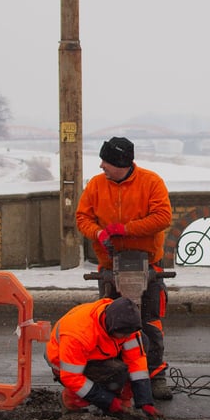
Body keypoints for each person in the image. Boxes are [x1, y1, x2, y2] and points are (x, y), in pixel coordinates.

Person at [76, 136, 174, 400]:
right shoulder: (96, 185)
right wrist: (98, 233)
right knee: (110, 325)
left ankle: (155, 376)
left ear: (121, 163)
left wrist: (126, 229)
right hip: (110, 265)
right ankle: (115, 376)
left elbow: (163, 217)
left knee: (149, 322)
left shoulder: (151, 182)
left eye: (106, 161)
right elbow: (82, 217)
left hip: (147, 263)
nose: (101, 166)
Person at [44, 296, 166, 420]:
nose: (127, 337)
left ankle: (123, 402)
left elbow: (136, 363)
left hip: (98, 355)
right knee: (116, 372)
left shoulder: (124, 322)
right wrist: (109, 402)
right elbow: (71, 377)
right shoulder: (79, 334)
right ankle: (72, 401)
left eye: (129, 334)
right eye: (123, 334)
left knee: (142, 342)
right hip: (65, 367)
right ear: (111, 326)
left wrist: (145, 402)